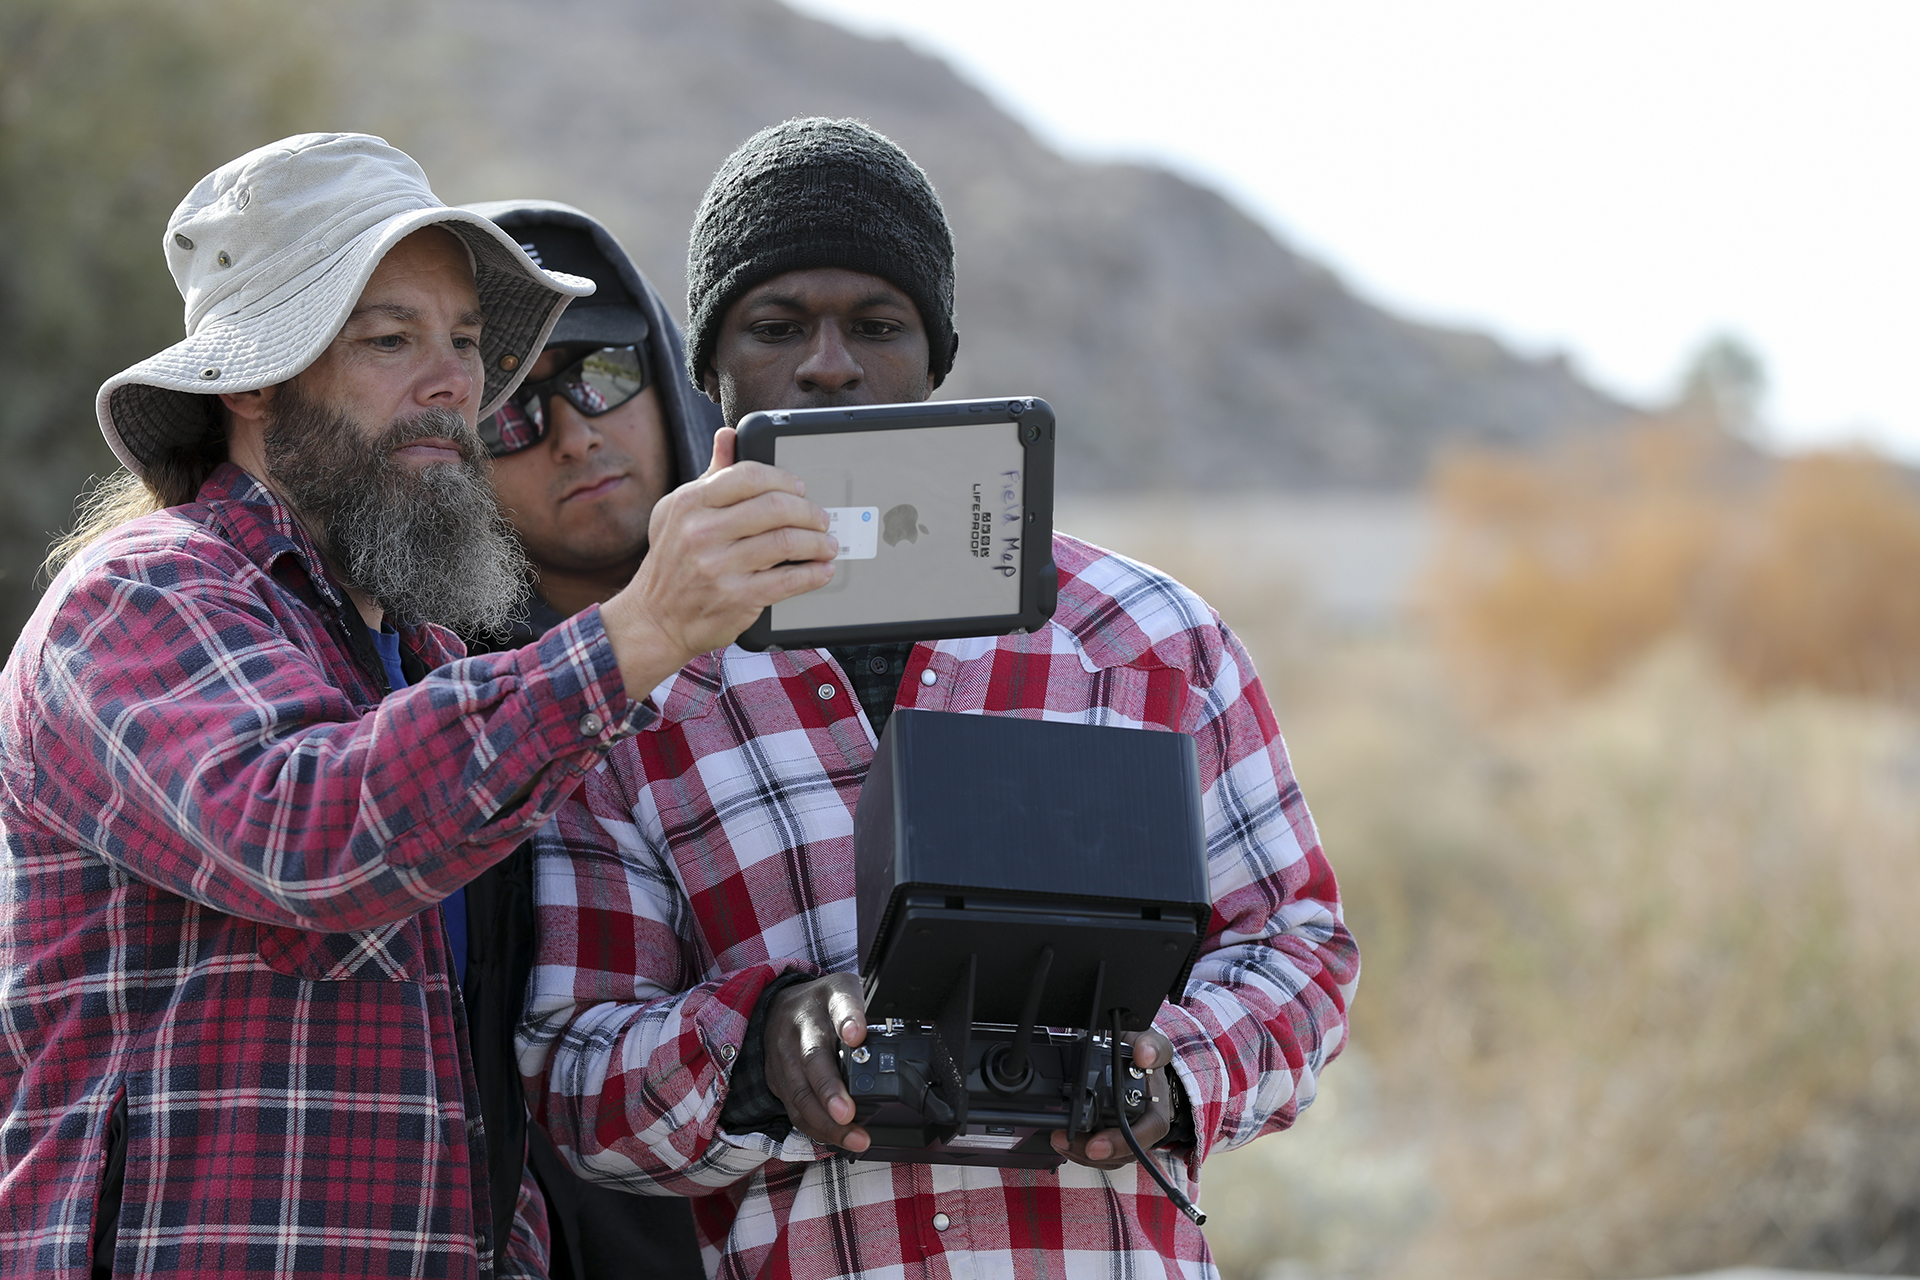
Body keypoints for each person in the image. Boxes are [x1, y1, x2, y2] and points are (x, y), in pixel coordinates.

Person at [519, 117, 1361, 1278]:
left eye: (877, 324)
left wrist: (1165, 1071)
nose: (827, 363)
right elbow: (572, 1069)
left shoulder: (1149, 637)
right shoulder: (639, 687)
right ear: (711, 374)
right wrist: (762, 1050)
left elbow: (1301, 958)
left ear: (936, 359)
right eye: (775, 326)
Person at [0, 133, 835, 1279]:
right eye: (391, 339)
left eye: (463, 341)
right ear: (252, 377)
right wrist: (641, 629)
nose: (455, 384)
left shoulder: (425, 658)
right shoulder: (139, 595)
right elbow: (313, 830)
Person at [453, 199, 715, 1280]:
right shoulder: (449, 709)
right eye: (512, 412)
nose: (575, 433)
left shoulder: (815, 649)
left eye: (605, 373)